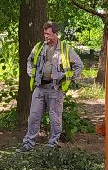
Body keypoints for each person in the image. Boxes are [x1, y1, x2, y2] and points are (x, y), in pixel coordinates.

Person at [20, 21, 83, 151]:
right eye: (44, 34)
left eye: (48, 34)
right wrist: (32, 73)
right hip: (39, 87)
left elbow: (79, 66)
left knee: (55, 118)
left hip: (56, 89)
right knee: (33, 116)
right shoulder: (39, 47)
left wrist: (67, 78)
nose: (46, 36)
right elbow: (29, 61)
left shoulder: (66, 49)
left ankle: (52, 145)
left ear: (56, 34)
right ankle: (28, 144)